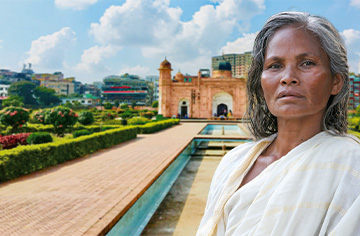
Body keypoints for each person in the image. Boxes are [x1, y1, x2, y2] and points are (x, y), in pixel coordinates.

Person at [197, 11, 360, 236]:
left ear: (336, 81)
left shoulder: (352, 167)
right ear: (261, 82)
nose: (288, 77)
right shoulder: (233, 163)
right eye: (275, 65)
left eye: (307, 63)